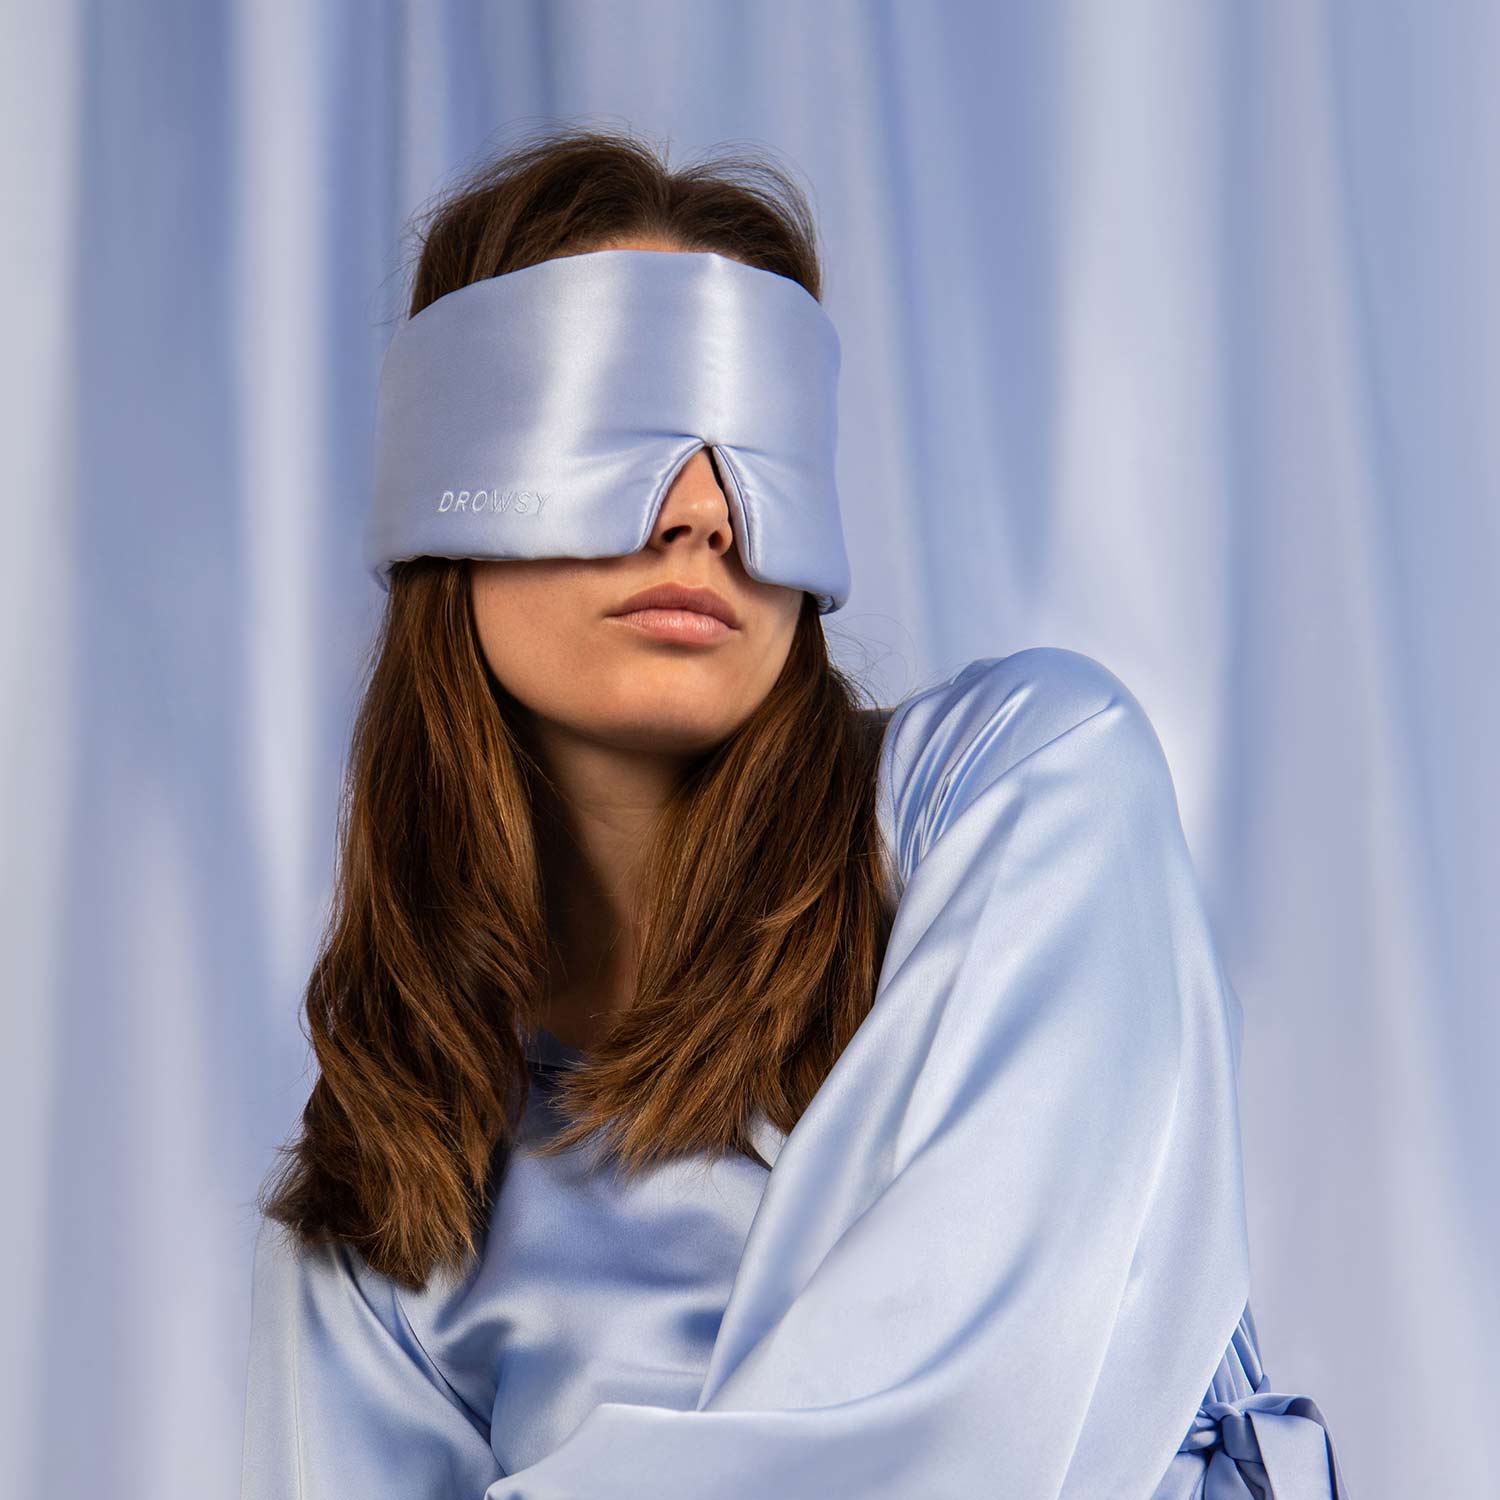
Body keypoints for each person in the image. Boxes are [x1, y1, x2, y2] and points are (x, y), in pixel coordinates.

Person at [239, 126, 1349, 1499]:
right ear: (444, 492)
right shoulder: (389, 1191)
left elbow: (966, 1418)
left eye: (751, 439)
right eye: (618, 421)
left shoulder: (1022, 793)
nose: (705, 512)